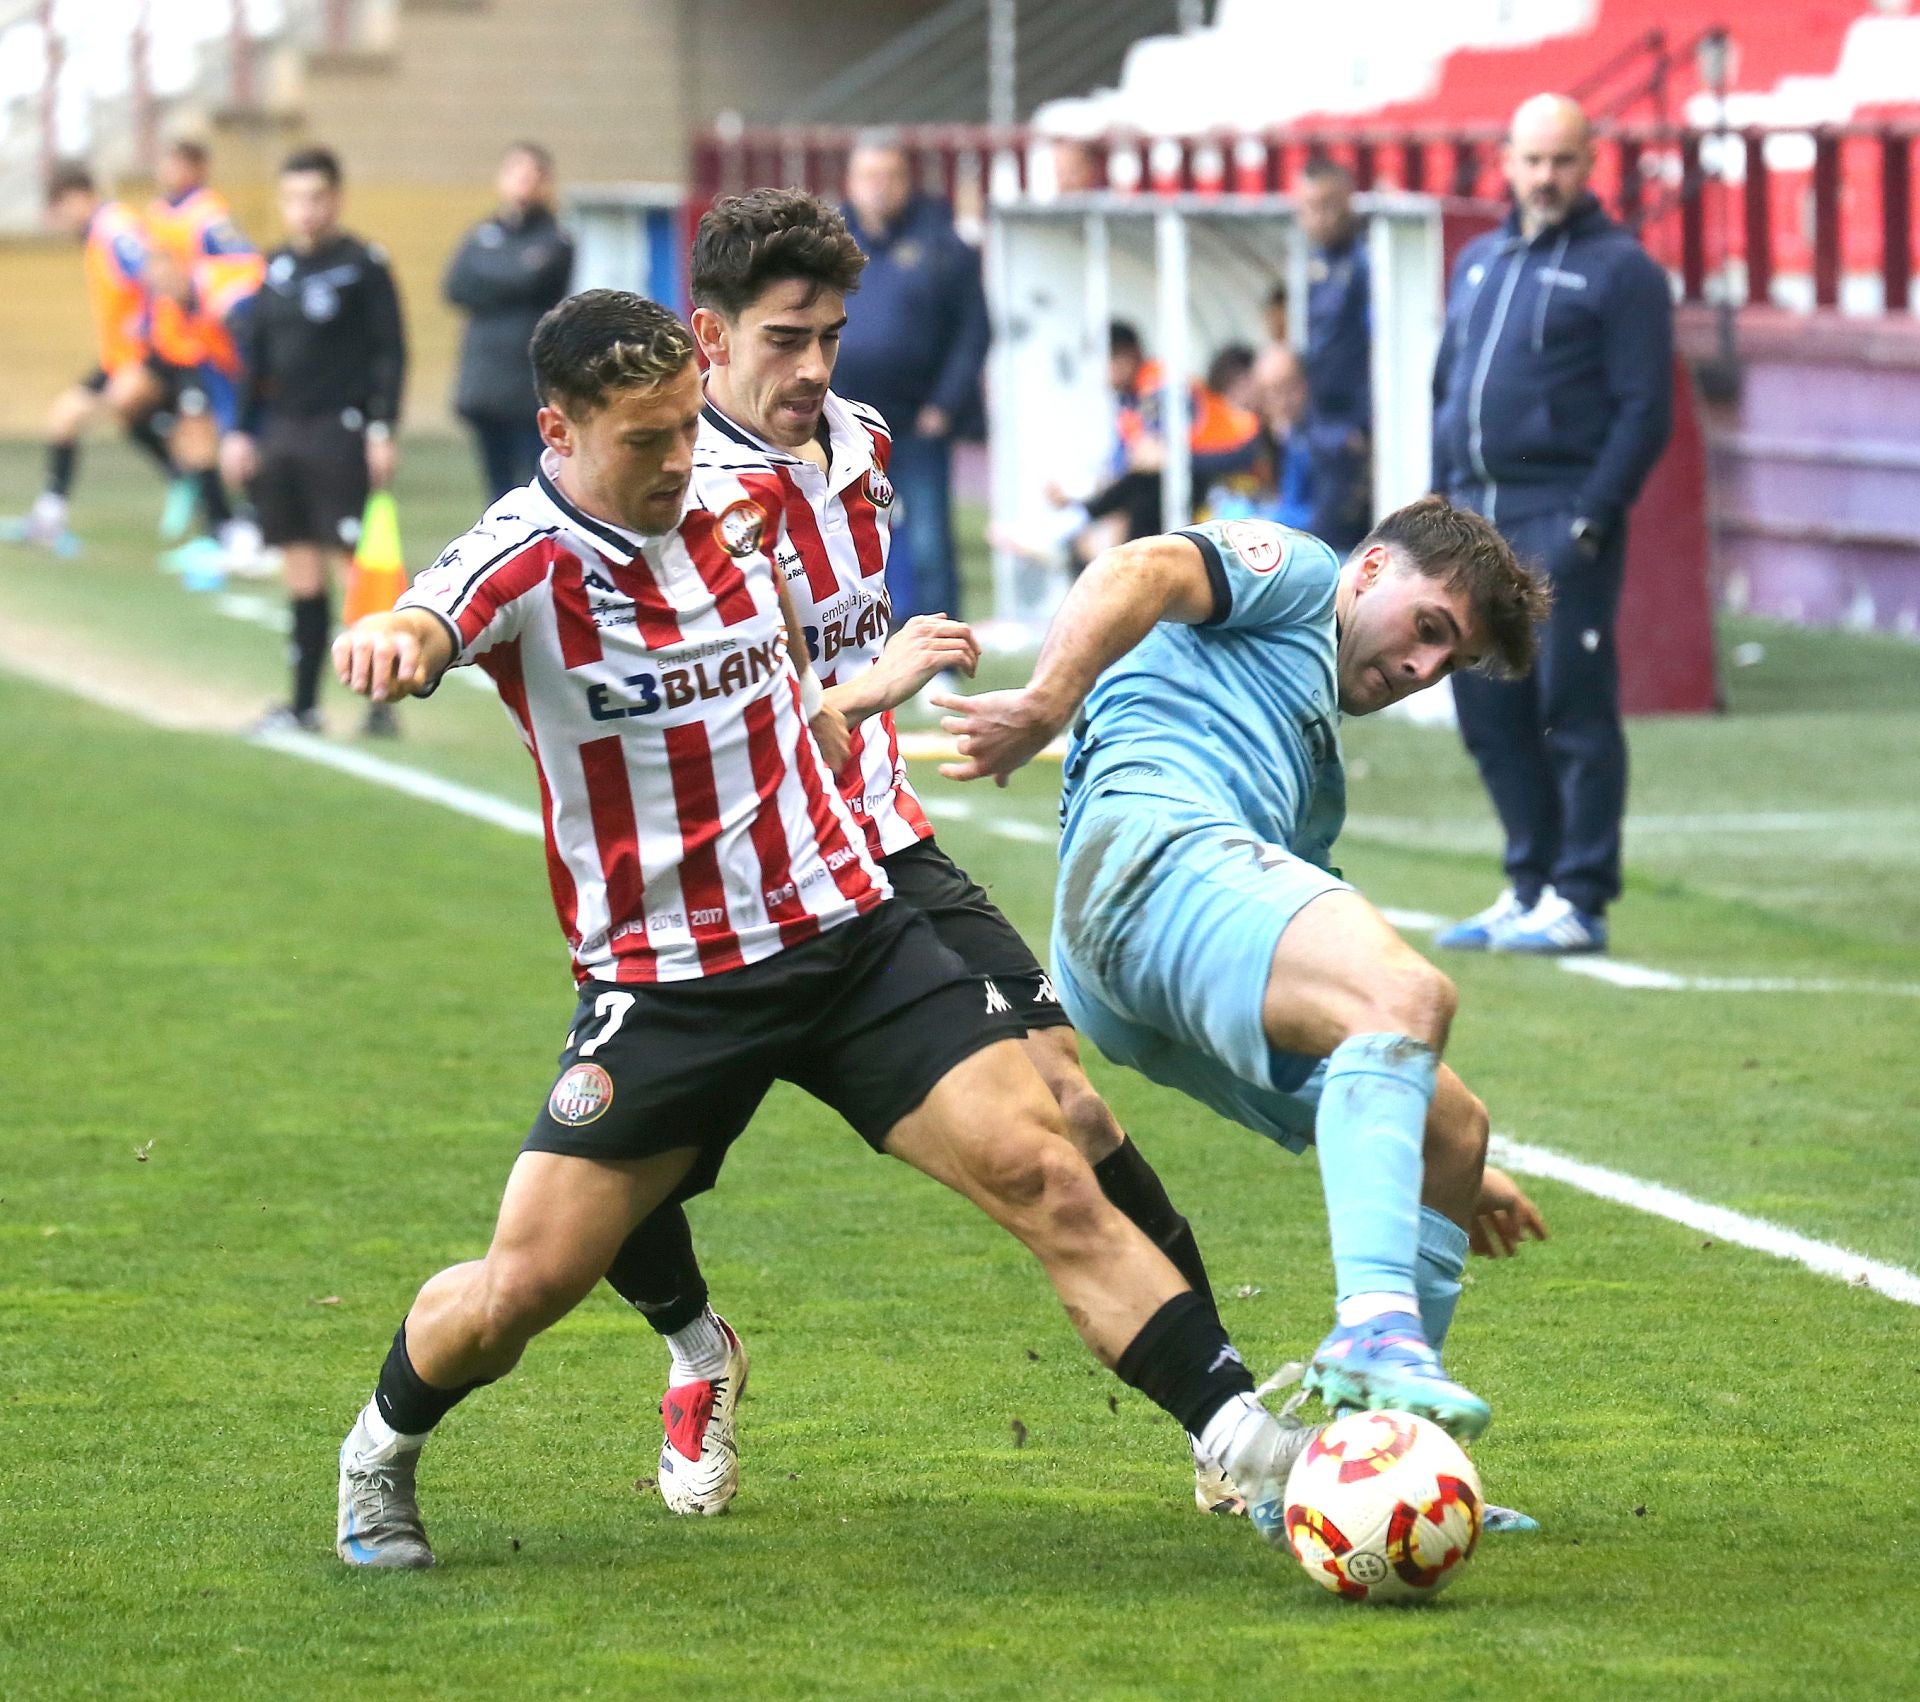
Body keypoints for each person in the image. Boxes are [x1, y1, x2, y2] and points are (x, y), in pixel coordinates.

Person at [325, 288, 1320, 1570]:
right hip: (673, 983)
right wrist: (395, 639)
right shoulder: (525, 554)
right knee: (523, 1289)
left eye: (688, 427)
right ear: (559, 432)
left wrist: (853, 697)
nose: (679, 461)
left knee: (1046, 1168)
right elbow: (429, 614)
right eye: (644, 440)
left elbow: (794, 696)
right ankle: (380, 1450)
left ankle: (1255, 1448)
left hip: (849, 931)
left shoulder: (741, 503)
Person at [601, 187, 1236, 1517]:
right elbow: (717, 732)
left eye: (832, 336)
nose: (815, 368)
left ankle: (1226, 1418)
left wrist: (879, 699)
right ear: (709, 339)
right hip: (726, 881)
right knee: (608, 1188)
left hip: (879, 844)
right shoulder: (673, 499)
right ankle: (696, 1347)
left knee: (1071, 1105)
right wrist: (871, 686)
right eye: (785, 340)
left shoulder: (865, 441)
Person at [936, 497, 1551, 1449]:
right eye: (1430, 630)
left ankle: (1386, 1456)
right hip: (1149, 856)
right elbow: (1139, 568)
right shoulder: (1299, 574)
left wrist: (1437, 1156)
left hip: (1140, 958)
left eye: (1450, 663)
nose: (1422, 670)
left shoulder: (1309, 766)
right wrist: (1047, 702)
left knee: (1452, 1129)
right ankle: (1374, 1330)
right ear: (1372, 570)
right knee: (1409, 994)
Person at [1429, 93, 1674, 956]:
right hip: (1472, 522)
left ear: (1590, 163)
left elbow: (1646, 409)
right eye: (1532, 160)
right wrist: (1437, 511)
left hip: (1558, 516)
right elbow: (1446, 391)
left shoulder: (1623, 270)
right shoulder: (1479, 262)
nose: (1545, 176)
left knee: (1570, 707)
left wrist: (1593, 519)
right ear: (1506, 162)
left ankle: (1580, 896)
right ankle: (1528, 881)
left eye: (1562, 160)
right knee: (1486, 709)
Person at [223, 146, 406, 737]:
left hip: (341, 431)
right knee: (299, 564)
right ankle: (303, 704)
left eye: (317, 197)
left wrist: (382, 428)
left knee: (356, 567)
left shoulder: (364, 266)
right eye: (295, 198)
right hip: (283, 434)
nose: (306, 209)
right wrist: (240, 431)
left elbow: (390, 353)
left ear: (337, 199)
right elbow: (255, 361)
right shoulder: (274, 268)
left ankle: (381, 702)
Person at [833, 135, 990, 622]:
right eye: (869, 176)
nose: (879, 187)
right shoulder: (827, 246)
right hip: (843, 423)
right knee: (845, 538)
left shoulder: (943, 245)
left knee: (928, 543)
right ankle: (859, 641)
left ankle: (941, 646)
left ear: (909, 181)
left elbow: (975, 331)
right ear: (850, 182)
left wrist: (945, 405)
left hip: (918, 421)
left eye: (890, 176)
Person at [1, 164, 176, 554]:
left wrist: (146, 329)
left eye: (60, 208)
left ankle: (189, 478)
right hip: (117, 359)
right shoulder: (97, 233)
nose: (60, 220)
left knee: (127, 406)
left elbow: (154, 274)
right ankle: (49, 517)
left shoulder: (115, 229)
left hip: (145, 354)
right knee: (64, 417)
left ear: (78, 197)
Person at [142, 138, 266, 571]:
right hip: (193, 348)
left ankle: (253, 526)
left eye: (175, 163)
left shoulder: (209, 218)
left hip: (239, 352)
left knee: (238, 435)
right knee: (206, 434)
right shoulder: (157, 214)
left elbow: (247, 267)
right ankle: (228, 529)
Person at [443, 141, 574, 500]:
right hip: (485, 385)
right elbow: (456, 286)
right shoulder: (480, 234)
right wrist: (510, 276)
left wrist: (491, 278)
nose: (523, 183)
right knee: (496, 490)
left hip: (528, 385)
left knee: (536, 484)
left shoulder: (556, 239)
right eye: (516, 173)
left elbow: (531, 280)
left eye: (533, 175)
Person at [1296, 158, 1372, 555]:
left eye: (1328, 205)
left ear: (1349, 202)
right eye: (1310, 207)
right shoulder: (1314, 264)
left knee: (1341, 543)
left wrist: (1365, 425)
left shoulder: (1368, 262)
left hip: (1353, 428)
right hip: (1320, 423)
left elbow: (1379, 348)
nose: (1319, 217)